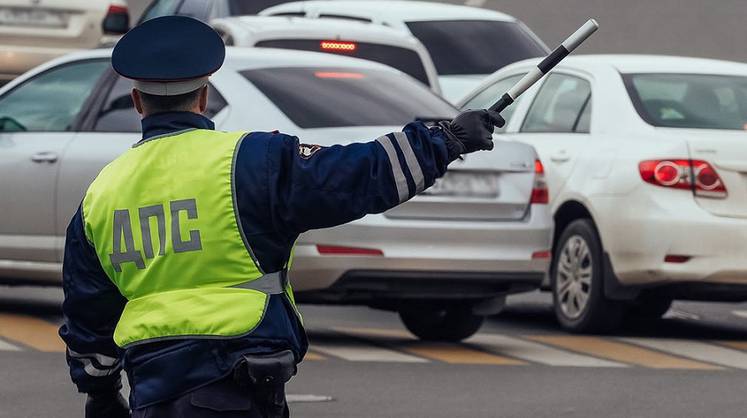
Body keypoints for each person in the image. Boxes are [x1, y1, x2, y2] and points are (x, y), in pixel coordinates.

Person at [58, 15, 504, 418]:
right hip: (239, 379)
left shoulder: (102, 192)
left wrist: (98, 390)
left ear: (137, 102)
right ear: (204, 97)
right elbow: (359, 175)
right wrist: (447, 139)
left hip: (153, 389)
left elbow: (87, 312)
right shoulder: (252, 159)